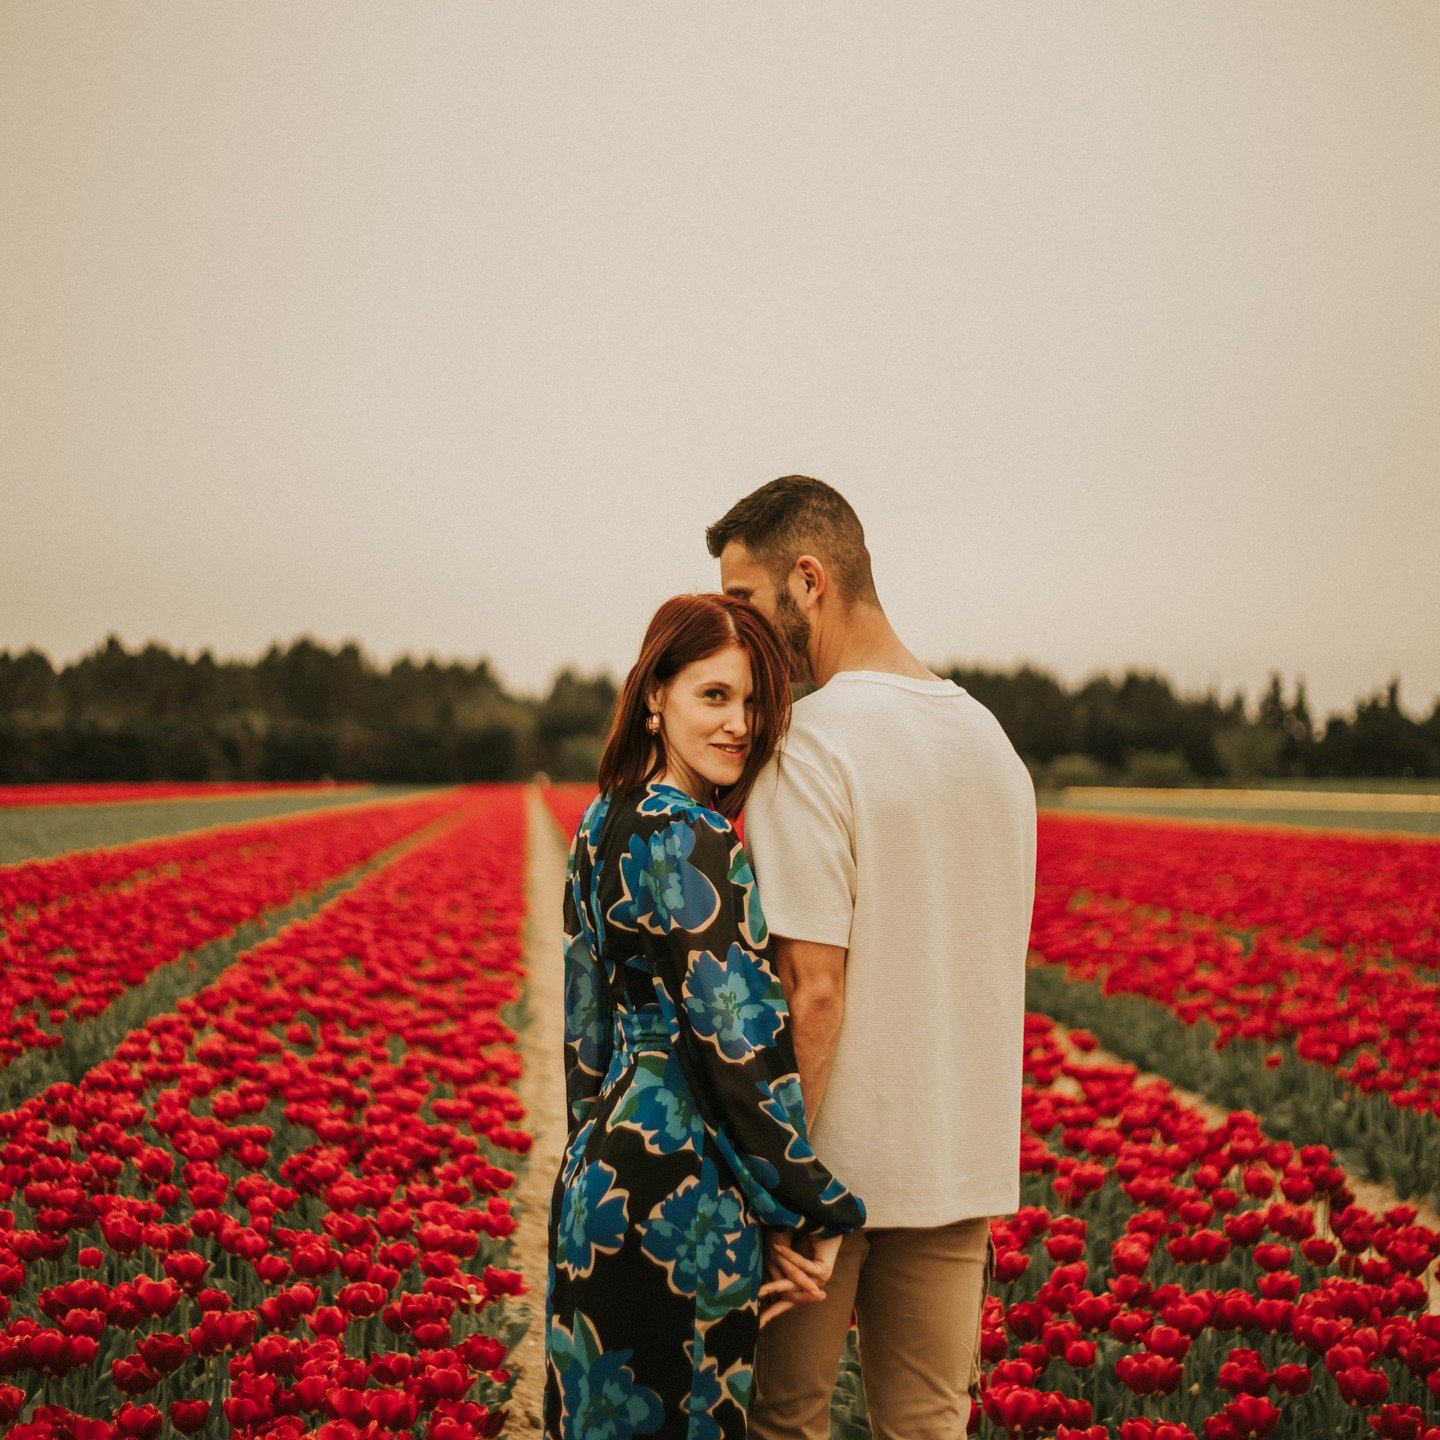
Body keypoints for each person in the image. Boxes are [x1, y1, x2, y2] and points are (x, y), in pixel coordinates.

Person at [707, 476, 1038, 1440]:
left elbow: (812, 993)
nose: (736, 637)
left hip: (828, 1170)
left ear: (807, 582)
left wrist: (778, 1181)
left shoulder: (807, 748)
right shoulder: (992, 745)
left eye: (744, 606)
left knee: (786, 1421)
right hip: (956, 1156)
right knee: (928, 1425)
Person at [544, 592, 866, 1440]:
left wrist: (590, 1149)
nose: (740, 725)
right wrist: (807, 1208)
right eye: (714, 695)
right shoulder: (697, 841)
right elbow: (740, 1054)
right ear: (655, 696)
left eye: (755, 702)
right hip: (685, 1195)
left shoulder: (599, 824)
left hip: (597, 1183)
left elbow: (586, 1023)